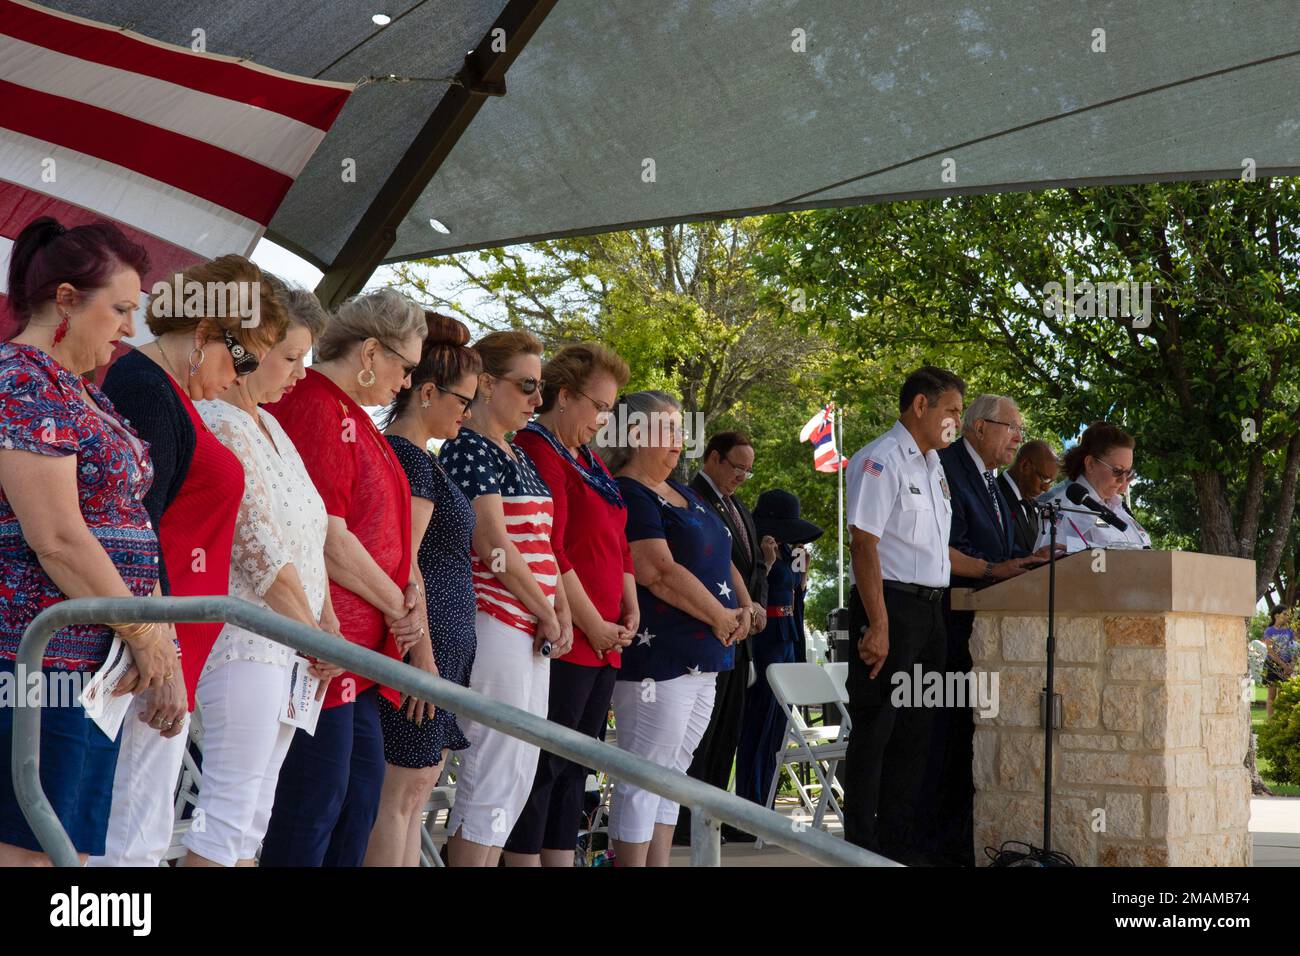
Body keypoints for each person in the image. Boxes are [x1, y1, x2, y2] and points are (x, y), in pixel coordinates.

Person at [93, 255, 289, 867]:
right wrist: (161, 648)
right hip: (143, 645)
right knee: (128, 831)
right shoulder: (145, 390)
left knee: (142, 824)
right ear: (204, 335)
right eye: (245, 357)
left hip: (164, 640)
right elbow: (134, 533)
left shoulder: (165, 393)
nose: (242, 377)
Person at [0, 217, 176, 865]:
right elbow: (58, 537)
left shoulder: (81, 392)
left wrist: (155, 636)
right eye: (123, 309)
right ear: (68, 300)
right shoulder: (23, 381)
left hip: (85, 666)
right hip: (34, 663)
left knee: (60, 851)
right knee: (29, 851)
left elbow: (128, 520)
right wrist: (147, 633)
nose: (130, 328)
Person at [259, 288, 428, 867]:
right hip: (322, 644)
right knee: (314, 806)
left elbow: (385, 532)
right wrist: (399, 606)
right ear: (371, 351)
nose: (405, 383)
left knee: (355, 803)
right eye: (404, 367)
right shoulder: (312, 403)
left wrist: (407, 601)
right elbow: (324, 536)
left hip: (358, 650)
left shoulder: (353, 415)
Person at [184, 281, 343, 866]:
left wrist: (322, 625)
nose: (299, 373)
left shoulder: (275, 428)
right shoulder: (217, 419)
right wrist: (314, 633)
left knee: (254, 818)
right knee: (227, 812)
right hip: (247, 640)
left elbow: (311, 539)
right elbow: (257, 549)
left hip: (292, 644)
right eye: (291, 357)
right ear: (256, 345)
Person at [440, 330, 574, 867]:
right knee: (492, 770)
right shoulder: (468, 445)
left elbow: (541, 543)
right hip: (496, 621)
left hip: (531, 627)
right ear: (487, 384)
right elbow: (492, 542)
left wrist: (559, 608)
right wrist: (547, 610)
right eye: (526, 386)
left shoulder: (517, 453)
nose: (536, 400)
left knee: (519, 770)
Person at [601, 391, 751, 866]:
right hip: (660, 658)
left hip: (707, 654)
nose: (679, 442)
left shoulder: (685, 492)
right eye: (667, 431)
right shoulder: (630, 491)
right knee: (644, 775)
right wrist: (720, 616)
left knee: (674, 775)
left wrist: (745, 605)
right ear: (634, 434)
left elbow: (720, 553)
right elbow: (655, 569)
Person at [505, 342, 637, 866]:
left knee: (577, 765)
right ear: (564, 396)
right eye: (598, 406)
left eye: (610, 410)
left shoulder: (589, 459)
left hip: (606, 641)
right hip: (569, 638)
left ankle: (563, 857)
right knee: (544, 765)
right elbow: (550, 548)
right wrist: (592, 623)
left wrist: (630, 611)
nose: (603, 420)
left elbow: (620, 542)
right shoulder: (539, 447)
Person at [364, 312, 482, 867]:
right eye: (462, 400)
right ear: (428, 392)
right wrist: (423, 659)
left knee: (418, 784)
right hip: (421, 651)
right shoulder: (408, 459)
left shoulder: (422, 459)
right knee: (402, 789)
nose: (467, 412)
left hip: (438, 650)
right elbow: (403, 562)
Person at [841, 366, 963, 864]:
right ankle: (860, 850)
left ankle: (899, 846)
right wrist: (879, 623)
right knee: (877, 729)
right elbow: (863, 542)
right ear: (920, 405)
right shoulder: (880, 459)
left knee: (919, 730)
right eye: (952, 410)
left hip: (931, 611)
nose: (957, 420)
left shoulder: (935, 466)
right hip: (889, 606)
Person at [927, 395, 1047, 865]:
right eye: (1010, 427)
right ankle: (934, 848)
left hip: (987, 627)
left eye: (1020, 428)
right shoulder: (947, 468)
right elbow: (944, 547)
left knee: (967, 747)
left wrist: (1029, 563)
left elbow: (1003, 547)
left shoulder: (993, 480)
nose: (1018, 436)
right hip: (950, 622)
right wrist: (994, 570)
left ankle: (960, 845)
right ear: (978, 427)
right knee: (944, 744)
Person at [677, 430, 768, 844]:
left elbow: (749, 568)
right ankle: (683, 820)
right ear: (713, 459)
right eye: (737, 468)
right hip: (708, 629)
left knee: (726, 731)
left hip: (740, 635)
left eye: (748, 471)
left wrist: (757, 605)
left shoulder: (739, 508)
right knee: (702, 732)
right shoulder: (692, 499)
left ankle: (709, 814)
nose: (742, 477)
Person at [735, 489, 823, 806]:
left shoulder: (788, 549)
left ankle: (766, 801)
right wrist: (767, 566)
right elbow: (746, 591)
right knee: (758, 722)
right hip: (764, 638)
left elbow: (794, 599)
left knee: (777, 725)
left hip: (786, 637)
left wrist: (803, 580)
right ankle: (750, 801)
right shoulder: (756, 548)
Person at [1034, 421, 1152, 552]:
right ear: (1090, 464)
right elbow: (1045, 562)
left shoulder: (1119, 508)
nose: (1123, 480)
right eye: (1117, 471)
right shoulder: (1063, 509)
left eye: (1128, 472)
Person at [998, 440, 1059, 555]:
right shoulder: (995, 494)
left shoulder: (1031, 504)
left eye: (1051, 482)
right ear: (1025, 465)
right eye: (1044, 479)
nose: (1046, 488)